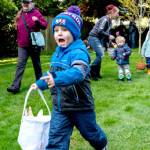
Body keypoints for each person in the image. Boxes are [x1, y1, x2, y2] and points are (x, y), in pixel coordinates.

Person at [31, 5, 107, 150]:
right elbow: (51, 73)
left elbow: (79, 72)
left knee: (91, 133)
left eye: (64, 30)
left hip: (81, 106)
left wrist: (56, 78)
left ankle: (102, 145)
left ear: (74, 33)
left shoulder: (79, 51)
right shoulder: (58, 52)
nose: (59, 33)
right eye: (56, 30)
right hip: (60, 106)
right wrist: (39, 84)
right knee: (55, 139)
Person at [7, 0, 48, 94]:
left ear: (31, 3)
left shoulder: (36, 12)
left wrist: (37, 21)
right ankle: (15, 87)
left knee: (36, 65)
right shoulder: (19, 14)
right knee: (20, 65)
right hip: (22, 45)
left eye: (27, 2)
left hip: (34, 45)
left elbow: (45, 25)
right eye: (23, 2)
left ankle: (40, 84)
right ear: (21, 4)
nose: (25, 4)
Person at [88, 4, 119, 80]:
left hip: (98, 39)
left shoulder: (110, 21)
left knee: (99, 56)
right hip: (93, 37)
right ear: (112, 12)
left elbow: (105, 33)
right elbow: (100, 30)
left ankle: (96, 74)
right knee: (101, 55)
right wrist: (109, 36)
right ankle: (90, 72)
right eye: (117, 13)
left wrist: (110, 42)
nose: (118, 14)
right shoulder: (105, 19)